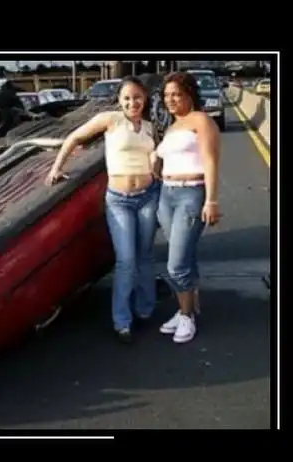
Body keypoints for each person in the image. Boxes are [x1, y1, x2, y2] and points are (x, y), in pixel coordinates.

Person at [46, 76, 160, 343]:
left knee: (145, 256)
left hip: (148, 196)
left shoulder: (149, 127)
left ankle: (145, 308)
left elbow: (154, 160)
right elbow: (75, 137)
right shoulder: (110, 120)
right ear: (119, 100)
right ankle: (122, 321)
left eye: (137, 97)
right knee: (126, 259)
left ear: (145, 99)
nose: (132, 103)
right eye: (127, 98)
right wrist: (56, 168)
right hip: (119, 200)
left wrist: (157, 165)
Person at [152, 71, 222, 343]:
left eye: (177, 94)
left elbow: (210, 161)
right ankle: (186, 310)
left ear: (189, 95)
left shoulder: (201, 120)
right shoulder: (172, 126)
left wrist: (211, 200)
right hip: (166, 195)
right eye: (167, 95)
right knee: (185, 256)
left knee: (176, 265)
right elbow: (164, 160)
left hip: (191, 194)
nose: (171, 100)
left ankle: (186, 315)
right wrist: (155, 160)